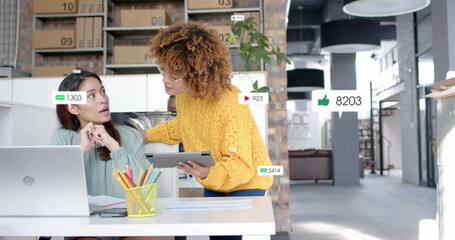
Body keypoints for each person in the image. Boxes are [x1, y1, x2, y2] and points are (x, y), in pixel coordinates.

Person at [144, 23, 273, 240]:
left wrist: (205, 173)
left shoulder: (230, 101)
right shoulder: (184, 96)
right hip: (214, 176)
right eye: (163, 70)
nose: (165, 79)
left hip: (247, 180)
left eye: (174, 75)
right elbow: (182, 126)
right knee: (214, 236)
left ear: (196, 73)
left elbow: (242, 166)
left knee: (226, 237)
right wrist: (144, 136)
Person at [50, 71, 155, 240]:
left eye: (103, 91)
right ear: (73, 107)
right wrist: (81, 149)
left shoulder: (130, 135)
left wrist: (114, 146)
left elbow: (143, 192)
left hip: (129, 223)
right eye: (91, 96)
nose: (103, 99)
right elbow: (55, 189)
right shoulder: (63, 137)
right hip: (84, 228)